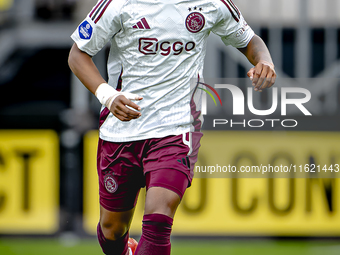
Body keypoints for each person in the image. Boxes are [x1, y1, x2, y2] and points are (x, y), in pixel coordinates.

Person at [68, 0, 276, 254]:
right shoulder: (118, 4)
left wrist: (264, 61)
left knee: (159, 217)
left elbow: (249, 40)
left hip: (176, 128)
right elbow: (77, 54)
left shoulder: (212, 3)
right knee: (112, 229)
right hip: (123, 128)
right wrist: (108, 96)